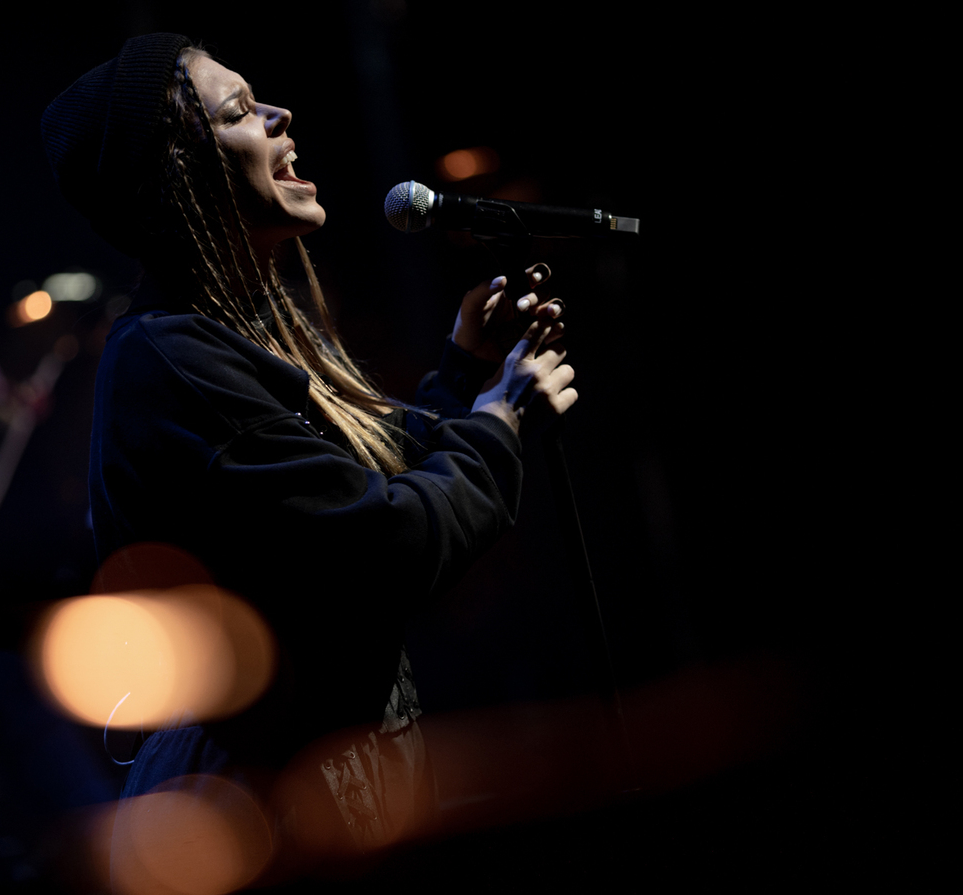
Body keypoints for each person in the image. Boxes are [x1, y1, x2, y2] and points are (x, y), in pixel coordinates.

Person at [40, 34, 577, 855]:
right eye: (238, 111)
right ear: (181, 171)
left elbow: (373, 476)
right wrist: (500, 420)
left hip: (329, 779)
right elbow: (385, 544)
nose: (279, 114)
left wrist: (466, 370)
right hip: (259, 809)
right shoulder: (169, 359)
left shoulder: (234, 332)